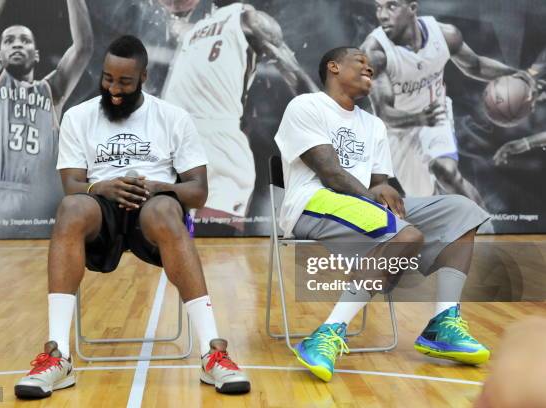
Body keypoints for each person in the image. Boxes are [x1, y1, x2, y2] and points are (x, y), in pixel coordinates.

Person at [14, 35, 250, 399]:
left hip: (153, 210)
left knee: (167, 210)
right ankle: (57, 356)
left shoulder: (172, 117)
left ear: (144, 78)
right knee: (71, 208)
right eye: (108, 78)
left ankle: (212, 352)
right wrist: (101, 188)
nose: (114, 89)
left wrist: (157, 187)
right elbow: (71, 185)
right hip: (100, 209)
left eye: (124, 81)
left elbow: (198, 191)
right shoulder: (79, 117)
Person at [274, 46, 490, 382]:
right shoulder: (306, 105)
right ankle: (328, 333)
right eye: (359, 60)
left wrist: (386, 196)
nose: (369, 67)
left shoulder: (373, 124)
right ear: (333, 67)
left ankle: (443, 324)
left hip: (359, 206)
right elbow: (330, 174)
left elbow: (380, 184)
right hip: (313, 203)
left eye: (371, 65)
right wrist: (378, 203)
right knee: (407, 236)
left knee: (463, 210)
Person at [160, 0, 318, 232]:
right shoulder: (192, 30)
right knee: (169, 249)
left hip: (219, 145)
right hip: (176, 143)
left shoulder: (250, 19)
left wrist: (325, 117)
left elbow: (294, 73)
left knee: (215, 248)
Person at [360, 0, 521, 206]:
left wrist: (517, 74)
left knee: (447, 172)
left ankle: (484, 228)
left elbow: (476, 66)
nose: (382, 14)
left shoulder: (445, 35)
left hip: (436, 114)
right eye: (378, 7)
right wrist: (419, 118)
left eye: (391, 6)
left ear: (412, 8)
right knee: (424, 197)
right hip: (398, 131)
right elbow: (384, 113)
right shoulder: (375, 52)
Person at [0, 0, 93, 239]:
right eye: (9, 40)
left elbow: (83, 47)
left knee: (39, 277)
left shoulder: (53, 91)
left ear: (37, 54)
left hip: (39, 204)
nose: (17, 43)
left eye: (25, 40)